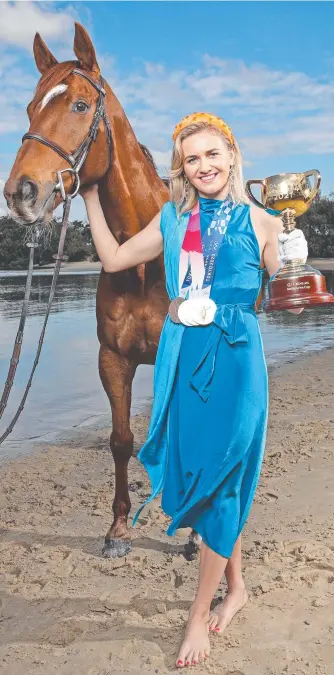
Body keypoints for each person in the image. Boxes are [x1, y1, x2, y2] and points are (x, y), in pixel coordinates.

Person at [81, 112, 308, 668]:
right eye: (191, 159)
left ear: (231, 156)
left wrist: (293, 250)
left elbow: (280, 288)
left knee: (225, 480)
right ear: (182, 168)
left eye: (212, 154)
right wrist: (89, 195)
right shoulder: (171, 219)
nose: (203, 166)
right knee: (203, 481)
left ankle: (197, 615)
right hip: (185, 361)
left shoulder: (263, 221)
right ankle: (239, 588)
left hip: (236, 362)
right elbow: (113, 259)